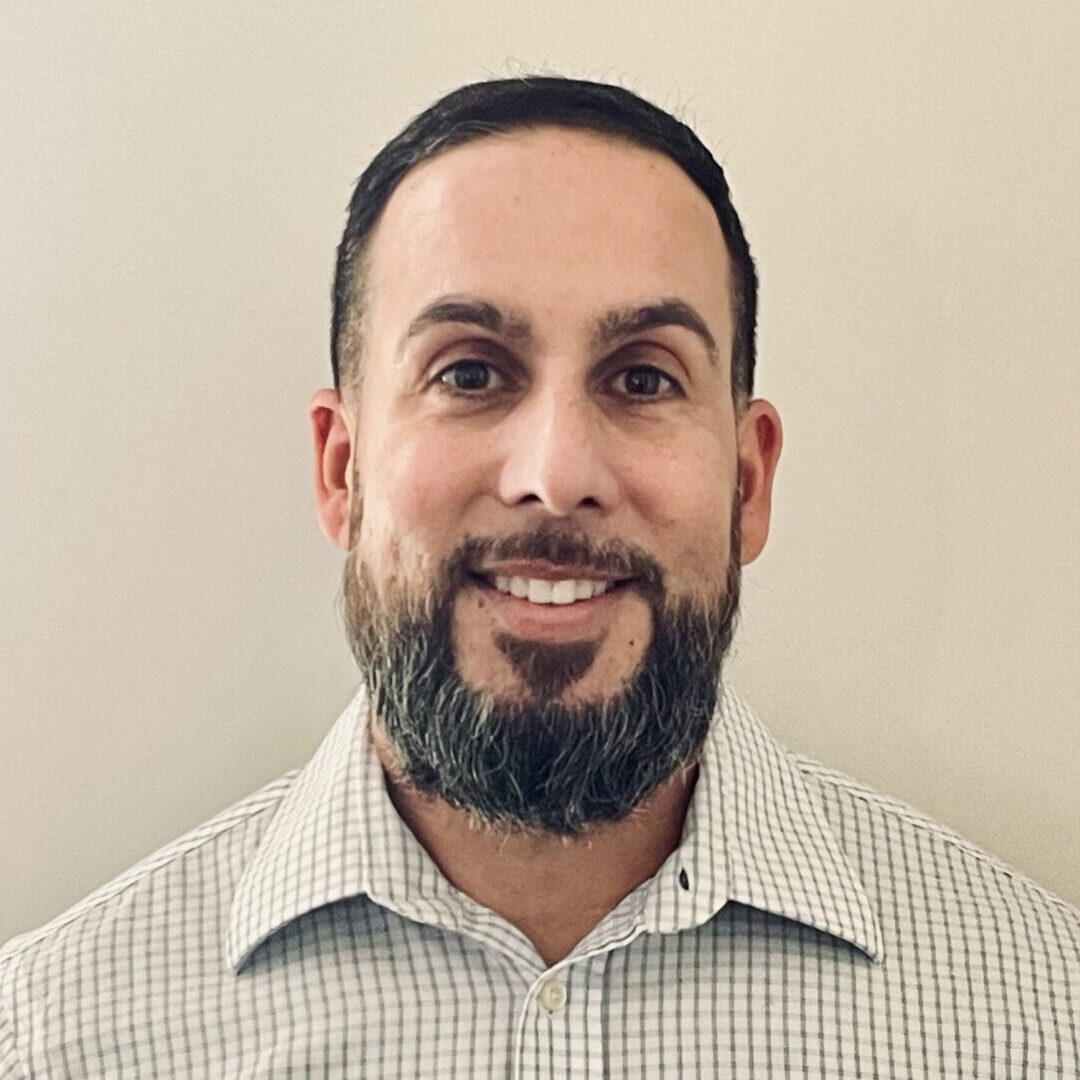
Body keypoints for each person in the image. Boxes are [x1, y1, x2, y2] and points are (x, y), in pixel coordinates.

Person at [1, 76, 1076, 1079]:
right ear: (344, 470)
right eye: (469, 372)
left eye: (643, 378)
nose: (556, 476)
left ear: (748, 482)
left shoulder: (1039, 1015)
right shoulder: (57, 1035)